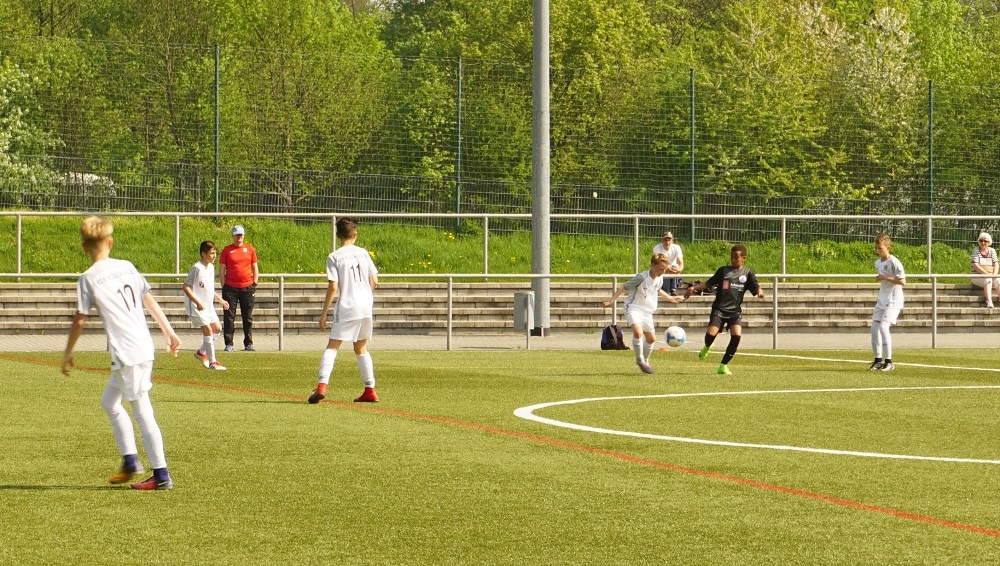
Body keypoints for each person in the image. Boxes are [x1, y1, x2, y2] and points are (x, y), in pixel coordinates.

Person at [61, 216, 180, 490]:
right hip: (138, 347)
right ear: (110, 243)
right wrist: (169, 331)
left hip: (128, 352)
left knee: (142, 409)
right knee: (109, 402)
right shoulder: (127, 266)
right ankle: (129, 462)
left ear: (83, 247)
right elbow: (147, 298)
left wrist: (67, 353)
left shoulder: (88, 278)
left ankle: (161, 475)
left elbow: (79, 319)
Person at [309, 217, 381, 404]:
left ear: (337, 235)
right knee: (361, 347)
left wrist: (324, 313)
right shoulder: (363, 253)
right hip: (366, 305)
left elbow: (333, 286)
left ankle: (322, 386)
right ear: (355, 234)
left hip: (348, 306)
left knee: (333, 346)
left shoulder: (334, 257)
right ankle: (370, 389)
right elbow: (374, 281)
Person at [683, 244, 765, 375]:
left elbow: (755, 285)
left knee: (736, 337)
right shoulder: (723, 271)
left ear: (743, 258)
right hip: (719, 309)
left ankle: (723, 366)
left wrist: (759, 292)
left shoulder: (747, 273)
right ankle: (707, 346)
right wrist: (693, 288)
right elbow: (708, 283)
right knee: (710, 335)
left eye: (736, 258)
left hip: (734, 312)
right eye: (731, 257)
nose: (733, 260)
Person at [601, 253, 683, 374]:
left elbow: (657, 289)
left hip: (647, 311)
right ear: (652, 265)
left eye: (664, 269)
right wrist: (611, 301)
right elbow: (624, 286)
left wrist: (670, 298)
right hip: (633, 307)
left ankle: (645, 360)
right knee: (638, 332)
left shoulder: (660, 278)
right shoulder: (642, 277)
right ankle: (640, 359)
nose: (662, 271)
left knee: (651, 339)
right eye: (660, 269)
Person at [183, 240, 229, 370]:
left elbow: (208, 289)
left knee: (217, 329)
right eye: (212, 253)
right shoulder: (196, 268)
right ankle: (213, 363)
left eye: (215, 253)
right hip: (196, 306)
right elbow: (185, 287)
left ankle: (201, 352)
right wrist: (197, 302)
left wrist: (220, 300)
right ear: (203, 254)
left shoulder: (211, 267)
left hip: (208, 306)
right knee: (208, 331)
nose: (214, 256)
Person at [220, 224, 259, 352]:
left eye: (241, 234)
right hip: (230, 288)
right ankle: (229, 343)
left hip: (247, 287)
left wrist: (254, 283)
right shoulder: (227, 250)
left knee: (247, 317)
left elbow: (254, 267)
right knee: (229, 316)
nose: (239, 237)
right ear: (233, 236)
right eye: (237, 235)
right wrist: (223, 284)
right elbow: (222, 268)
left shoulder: (250, 249)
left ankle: (248, 343)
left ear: (244, 235)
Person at [869, 233, 906, 372]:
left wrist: (885, 277)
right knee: (874, 328)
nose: (878, 251)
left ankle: (889, 362)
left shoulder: (894, 262)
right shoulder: (877, 262)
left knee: (884, 328)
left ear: (888, 248)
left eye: (880, 248)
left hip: (893, 301)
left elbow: (902, 281)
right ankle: (878, 360)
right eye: (876, 248)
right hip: (882, 299)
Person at [971, 232, 999, 308]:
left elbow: (996, 264)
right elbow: (975, 265)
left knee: (998, 280)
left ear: (989, 242)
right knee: (988, 279)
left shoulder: (992, 251)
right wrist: (987, 274)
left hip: (990, 274)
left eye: (985, 241)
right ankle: (989, 301)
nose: (983, 242)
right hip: (977, 276)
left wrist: (994, 275)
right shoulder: (975, 250)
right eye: (981, 240)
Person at [652, 231, 684, 295]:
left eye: (669, 240)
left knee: (675, 267)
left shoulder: (676, 247)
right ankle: (666, 290)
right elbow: (657, 262)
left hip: (672, 267)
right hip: (660, 267)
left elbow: (680, 261)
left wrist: (679, 269)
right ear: (662, 240)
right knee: (664, 269)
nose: (667, 242)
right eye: (665, 240)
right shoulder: (657, 248)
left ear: (672, 241)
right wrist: (666, 268)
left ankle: (673, 290)